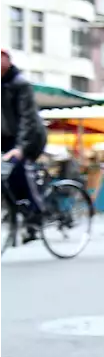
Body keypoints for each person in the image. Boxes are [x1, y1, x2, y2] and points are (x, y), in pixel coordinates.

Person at [0, 46, 48, 242]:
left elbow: (27, 119)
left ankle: (36, 213)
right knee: (6, 176)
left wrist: (20, 148)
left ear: (7, 60)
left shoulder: (20, 84)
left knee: (19, 170)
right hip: (4, 137)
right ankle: (14, 208)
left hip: (29, 137)